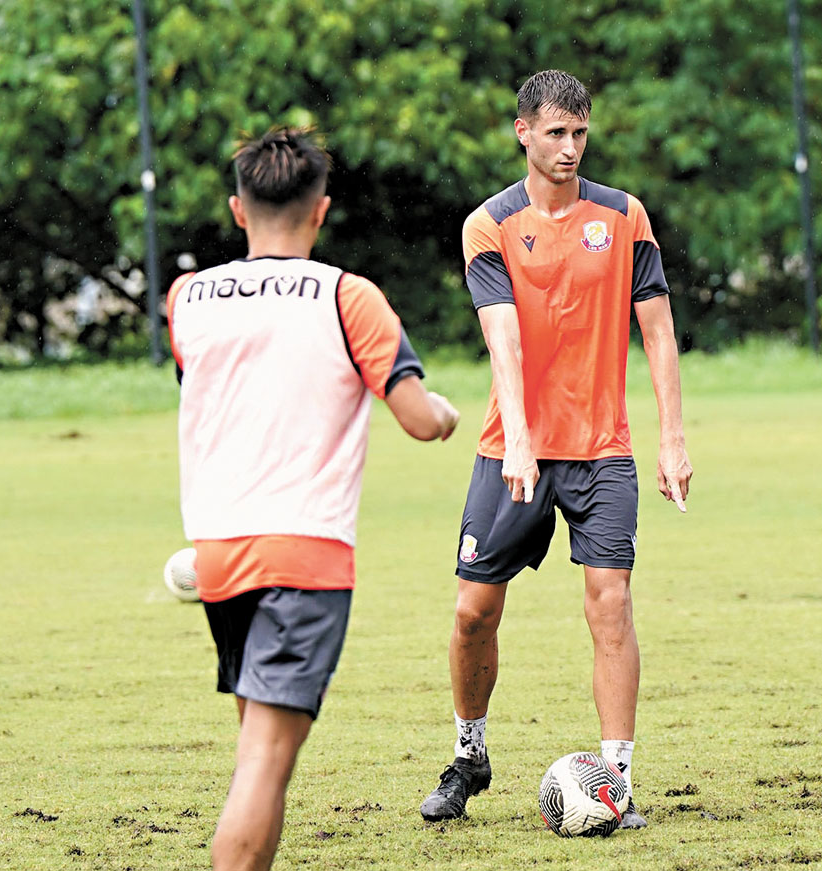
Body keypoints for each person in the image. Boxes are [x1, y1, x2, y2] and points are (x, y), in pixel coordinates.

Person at [166, 126, 459, 871]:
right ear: (321, 211)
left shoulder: (188, 297)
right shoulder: (346, 296)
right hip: (304, 554)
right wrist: (446, 414)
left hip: (217, 553)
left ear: (238, 210)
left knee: (257, 750)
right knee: (265, 761)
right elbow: (418, 419)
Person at [419, 70, 692, 828]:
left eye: (580, 133)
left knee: (611, 602)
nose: (569, 148)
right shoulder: (489, 224)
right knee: (473, 612)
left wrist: (672, 439)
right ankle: (468, 755)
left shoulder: (624, 216)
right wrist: (519, 438)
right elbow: (501, 339)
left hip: (603, 451)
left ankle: (616, 782)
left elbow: (658, 332)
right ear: (523, 132)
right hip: (514, 450)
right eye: (555, 133)